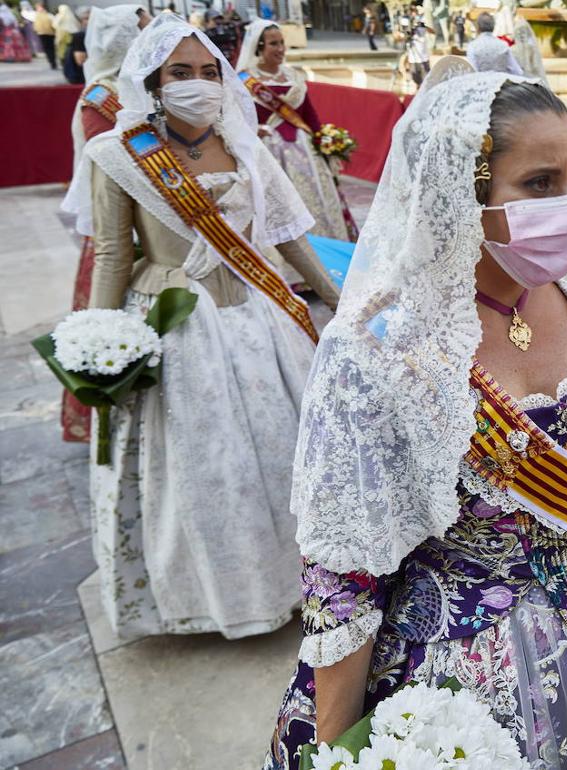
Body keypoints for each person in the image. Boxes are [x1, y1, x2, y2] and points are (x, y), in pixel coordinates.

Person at [263, 70, 567, 770]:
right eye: (538, 183)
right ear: (460, 191)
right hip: (468, 662)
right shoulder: (378, 349)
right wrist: (334, 751)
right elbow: (344, 579)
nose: (565, 205)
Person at [61, 15, 340, 639]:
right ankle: (218, 598)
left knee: (282, 454)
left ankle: (304, 580)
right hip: (174, 323)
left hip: (257, 315)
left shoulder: (243, 143)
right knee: (204, 470)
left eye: (209, 73)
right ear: (152, 83)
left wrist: (333, 299)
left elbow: (287, 235)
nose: (198, 84)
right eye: (180, 74)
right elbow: (112, 253)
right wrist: (101, 346)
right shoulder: (118, 154)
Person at [59, 3, 149, 444]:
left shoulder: (136, 86)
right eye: (144, 29)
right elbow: (112, 169)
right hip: (122, 229)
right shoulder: (101, 97)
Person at [236, 19, 357, 241]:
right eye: (273, 43)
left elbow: (309, 116)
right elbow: (236, 120)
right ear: (259, 46)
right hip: (267, 153)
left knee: (317, 200)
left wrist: (324, 143)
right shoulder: (244, 80)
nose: (280, 49)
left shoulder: (294, 77)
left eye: (282, 43)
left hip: (304, 153)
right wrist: (254, 130)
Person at [511, 14, 546, 85]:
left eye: (523, 32)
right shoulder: (513, 49)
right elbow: (536, 65)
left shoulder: (513, 49)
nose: (521, 35)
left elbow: (536, 64)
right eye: (519, 32)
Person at [61, 5, 88, 84]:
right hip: (82, 77)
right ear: (79, 21)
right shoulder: (80, 36)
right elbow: (80, 61)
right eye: (86, 18)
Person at [405, 19, 431, 87]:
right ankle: (418, 88)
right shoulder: (411, 35)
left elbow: (433, 31)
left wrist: (424, 26)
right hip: (414, 60)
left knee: (427, 78)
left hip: (423, 59)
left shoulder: (423, 32)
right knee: (416, 79)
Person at [32, 1, 54, 67]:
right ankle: (51, 61)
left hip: (49, 33)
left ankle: (52, 61)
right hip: (44, 34)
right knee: (48, 48)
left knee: (49, 48)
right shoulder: (38, 15)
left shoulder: (47, 15)